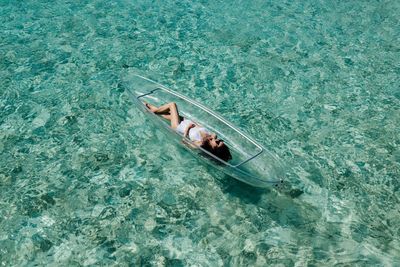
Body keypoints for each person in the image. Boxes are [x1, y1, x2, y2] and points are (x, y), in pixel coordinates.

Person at [144, 102, 232, 162]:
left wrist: (188, 129)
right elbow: (201, 128)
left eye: (217, 143)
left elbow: (184, 142)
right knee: (165, 114)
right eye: (220, 141)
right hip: (186, 121)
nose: (217, 140)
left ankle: (152, 111)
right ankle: (147, 106)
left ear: (213, 149)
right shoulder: (212, 137)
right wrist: (194, 123)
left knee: (172, 105)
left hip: (179, 127)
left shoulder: (199, 144)